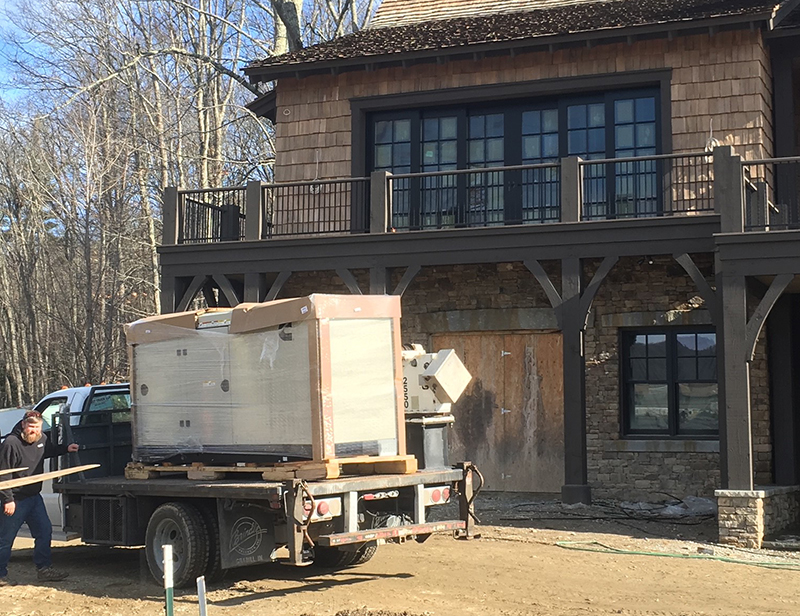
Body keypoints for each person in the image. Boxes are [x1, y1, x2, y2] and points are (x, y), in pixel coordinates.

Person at [0, 410, 78, 585]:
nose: (34, 430)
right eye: (31, 426)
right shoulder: (10, 444)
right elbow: (2, 476)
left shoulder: (41, 438)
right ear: (23, 425)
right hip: (16, 499)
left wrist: (66, 449)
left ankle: (44, 569)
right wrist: (7, 499)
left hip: (34, 498)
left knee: (44, 531)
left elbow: (48, 451)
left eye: (37, 427)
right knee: (5, 538)